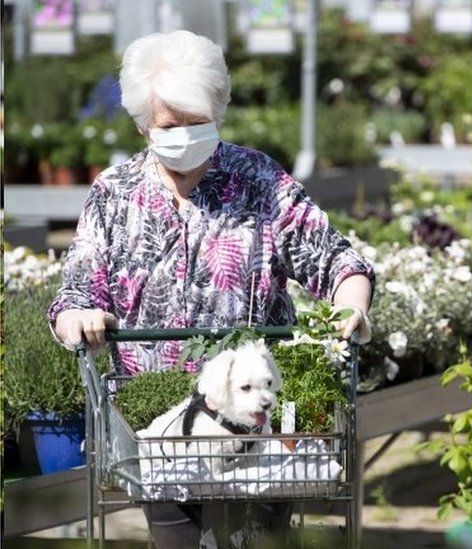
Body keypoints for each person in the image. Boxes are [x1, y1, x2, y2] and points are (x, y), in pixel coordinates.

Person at [47, 30, 374, 548]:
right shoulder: (114, 193)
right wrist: (80, 317)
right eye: (169, 125)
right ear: (142, 125)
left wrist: (350, 307)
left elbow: (336, 259)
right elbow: (75, 293)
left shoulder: (260, 181)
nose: (184, 135)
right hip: (159, 433)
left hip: (254, 427)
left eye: (197, 123)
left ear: (218, 109)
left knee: (256, 539)